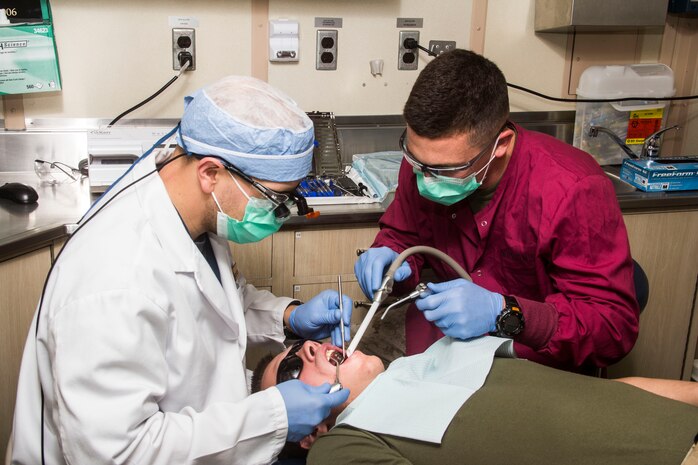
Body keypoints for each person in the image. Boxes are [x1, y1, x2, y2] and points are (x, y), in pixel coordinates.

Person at [10, 76, 352, 465]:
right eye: (274, 198)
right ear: (210, 173)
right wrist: (272, 418)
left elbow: (208, 305)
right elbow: (115, 454)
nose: (281, 213)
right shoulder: (114, 280)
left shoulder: (191, 205)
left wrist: (290, 317)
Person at [354, 49, 639, 372]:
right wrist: (390, 255)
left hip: (533, 361)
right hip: (445, 348)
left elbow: (613, 329)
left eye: (446, 169)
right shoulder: (426, 164)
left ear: (500, 144)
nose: (425, 179)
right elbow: (403, 234)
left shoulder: (573, 188)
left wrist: (505, 313)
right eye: (417, 160)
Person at [253, 338, 698, 465]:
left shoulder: (436, 358)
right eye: (292, 371)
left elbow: (612, 394)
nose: (308, 347)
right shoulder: (340, 447)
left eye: (297, 343)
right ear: (307, 433)